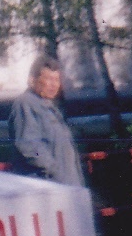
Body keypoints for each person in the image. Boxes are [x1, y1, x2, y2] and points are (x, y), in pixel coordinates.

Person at [9, 55, 86, 188]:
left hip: (66, 187)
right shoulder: (25, 103)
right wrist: (55, 172)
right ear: (32, 80)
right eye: (49, 79)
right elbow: (30, 148)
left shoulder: (48, 106)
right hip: (49, 189)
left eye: (56, 80)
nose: (54, 85)